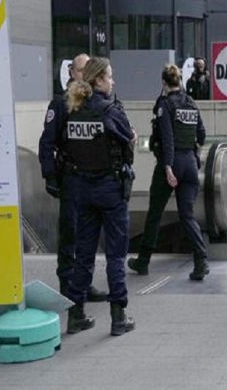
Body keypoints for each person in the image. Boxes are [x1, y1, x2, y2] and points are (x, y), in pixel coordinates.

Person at [64, 57, 137, 336]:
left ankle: (76, 314)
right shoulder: (109, 111)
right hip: (110, 190)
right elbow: (127, 142)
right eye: (109, 77)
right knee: (116, 255)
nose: (113, 81)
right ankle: (119, 317)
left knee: (83, 254)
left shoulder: (73, 109)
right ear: (97, 80)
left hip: (83, 189)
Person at [128, 64, 209, 281]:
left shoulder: (165, 105)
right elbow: (201, 134)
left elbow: (167, 138)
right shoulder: (191, 103)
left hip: (170, 164)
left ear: (164, 83)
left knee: (155, 212)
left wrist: (168, 167)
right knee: (187, 215)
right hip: (190, 163)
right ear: (180, 81)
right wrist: (194, 154)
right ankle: (201, 261)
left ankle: (143, 261)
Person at [38, 53, 107, 302]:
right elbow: (47, 142)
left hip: (92, 179)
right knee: (70, 233)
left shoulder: (95, 103)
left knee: (88, 236)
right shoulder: (61, 103)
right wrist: (50, 176)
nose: (85, 76)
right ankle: (68, 286)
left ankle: (84, 284)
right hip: (71, 178)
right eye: (81, 70)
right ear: (72, 73)